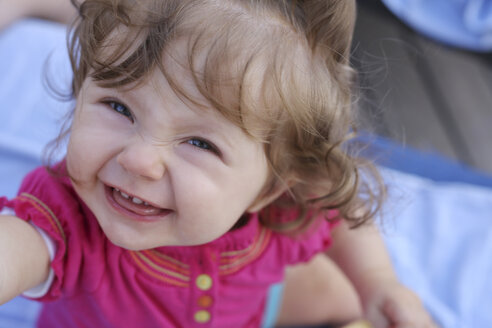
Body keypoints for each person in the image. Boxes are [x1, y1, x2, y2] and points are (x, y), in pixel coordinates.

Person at [0, 0, 437, 327]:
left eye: (198, 143)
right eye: (118, 107)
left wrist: (379, 283)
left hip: (256, 303)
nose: (139, 160)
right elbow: (15, 247)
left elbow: (339, 211)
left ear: (270, 187)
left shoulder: (289, 203)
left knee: (351, 299)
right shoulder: (68, 222)